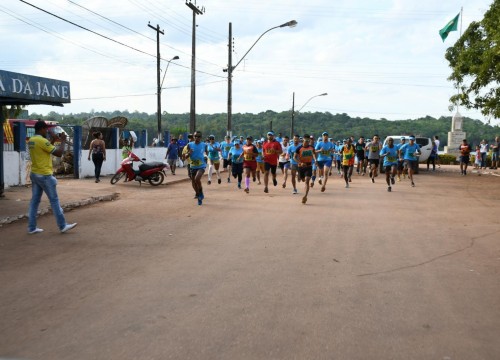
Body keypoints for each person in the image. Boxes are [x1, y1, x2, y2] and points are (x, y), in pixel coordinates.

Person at [27, 120, 77, 234]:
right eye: (46, 129)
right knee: (54, 201)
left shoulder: (32, 140)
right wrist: (63, 141)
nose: (48, 131)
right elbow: (59, 153)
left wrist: (54, 140)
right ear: (42, 129)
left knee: (34, 201)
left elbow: (45, 149)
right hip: (45, 175)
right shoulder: (42, 140)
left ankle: (31, 227)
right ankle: (62, 225)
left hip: (35, 174)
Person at [294, 134, 317, 204]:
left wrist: (315, 160)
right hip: (301, 167)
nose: (307, 142)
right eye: (305, 140)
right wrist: (300, 162)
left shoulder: (312, 147)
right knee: (303, 179)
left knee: (307, 181)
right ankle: (299, 176)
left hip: (309, 166)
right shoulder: (299, 148)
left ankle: (305, 196)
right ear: (303, 140)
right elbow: (294, 157)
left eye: (308, 140)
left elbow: (314, 153)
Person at [187, 131, 207, 205]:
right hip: (193, 166)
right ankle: (198, 195)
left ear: (201, 137)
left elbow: (206, 153)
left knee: (197, 179)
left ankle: (200, 192)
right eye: (195, 136)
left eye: (198, 136)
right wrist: (189, 153)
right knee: (194, 183)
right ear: (193, 137)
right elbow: (185, 156)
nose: (197, 138)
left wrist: (206, 157)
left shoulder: (204, 145)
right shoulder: (189, 145)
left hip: (201, 165)